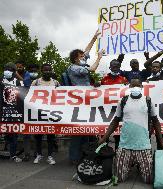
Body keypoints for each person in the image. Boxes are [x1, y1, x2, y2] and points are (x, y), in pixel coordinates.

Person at [98, 77, 163, 184]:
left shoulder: (148, 100)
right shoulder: (123, 100)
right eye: (133, 85)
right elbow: (115, 121)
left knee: (148, 180)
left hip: (143, 146)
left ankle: (138, 166)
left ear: (142, 87)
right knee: (118, 179)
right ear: (129, 87)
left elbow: (156, 121)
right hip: (125, 145)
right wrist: (104, 138)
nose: (135, 87)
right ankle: (128, 165)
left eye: (138, 86)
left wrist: (161, 142)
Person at [67, 29, 104, 163]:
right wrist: (99, 57)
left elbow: (86, 50)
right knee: (78, 132)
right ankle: (75, 158)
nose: (84, 57)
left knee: (87, 130)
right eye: (81, 56)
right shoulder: (74, 68)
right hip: (80, 100)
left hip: (87, 100)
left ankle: (85, 155)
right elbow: (93, 69)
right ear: (76, 59)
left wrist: (94, 38)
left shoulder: (79, 63)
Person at [32, 64, 60, 165]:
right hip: (38, 112)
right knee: (38, 135)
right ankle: (38, 154)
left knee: (50, 136)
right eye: (45, 70)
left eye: (49, 70)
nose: (47, 72)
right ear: (41, 71)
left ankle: (50, 156)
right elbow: (29, 95)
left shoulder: (55, 83)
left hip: (51, 113)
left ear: (51, 71)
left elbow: (61, 96)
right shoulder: (36, 82)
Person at [101, 59, 128, 150]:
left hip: (119, 111)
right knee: (104, 135)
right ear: (110, 67)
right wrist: (96, 86)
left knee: (118, 136)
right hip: (105, 112)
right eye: (114, 66)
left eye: (118, 66)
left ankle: (118, 155)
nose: (116, 68)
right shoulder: (104, 80)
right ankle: (103, 155)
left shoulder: (123, 79)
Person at [1, 62, 22, 162]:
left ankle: (13, 155)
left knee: (13, 133)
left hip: (13, 111)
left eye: (10, 69)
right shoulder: (1, 80)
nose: (7, 71)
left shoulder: (17, 82)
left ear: (14, 72)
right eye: (6, 68)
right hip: (2, 110)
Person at [22, 63, 40, 161]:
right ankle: (27, 154)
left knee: (36, 133)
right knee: (26, 134)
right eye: (31, 70)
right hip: (25, 109)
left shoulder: (40, 81)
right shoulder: (24, 81)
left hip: (36, 110)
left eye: (35, 70)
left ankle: (37, 153)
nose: (34, 72)